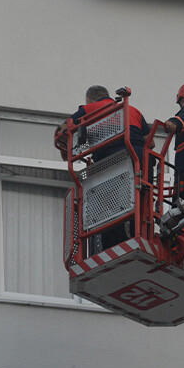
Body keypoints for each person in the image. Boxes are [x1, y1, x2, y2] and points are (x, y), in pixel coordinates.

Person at [60, 85, 152, 250]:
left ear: (89, 100)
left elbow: (63, 130)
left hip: (111, 162)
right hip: (142, 160)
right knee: (141, 200)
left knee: (110, 208)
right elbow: (150, 143)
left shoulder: (88, 109)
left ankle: (114, 245)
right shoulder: (133, 110)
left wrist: (67, 150)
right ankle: (141, 235)